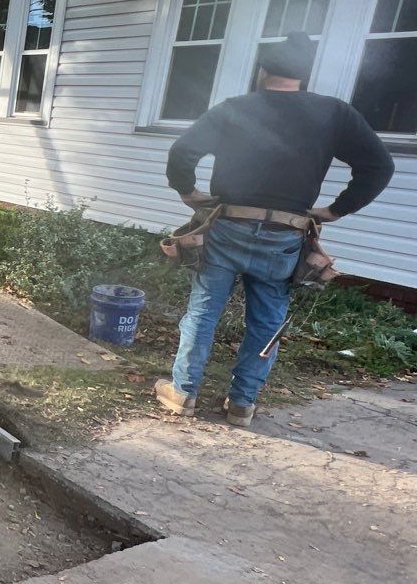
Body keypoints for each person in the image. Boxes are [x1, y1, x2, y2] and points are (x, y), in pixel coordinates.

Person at [156, 32, 394, 426]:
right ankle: (242, 404)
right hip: (284, 238)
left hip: (227, 227)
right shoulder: (333, 113)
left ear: (262, 70)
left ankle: (183, 393)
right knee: (267, 321)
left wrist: (190, 194)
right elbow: (379, 167)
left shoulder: (236, 107)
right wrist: (336, 210)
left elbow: (182, 151)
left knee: (203, 312)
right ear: (304, 76)